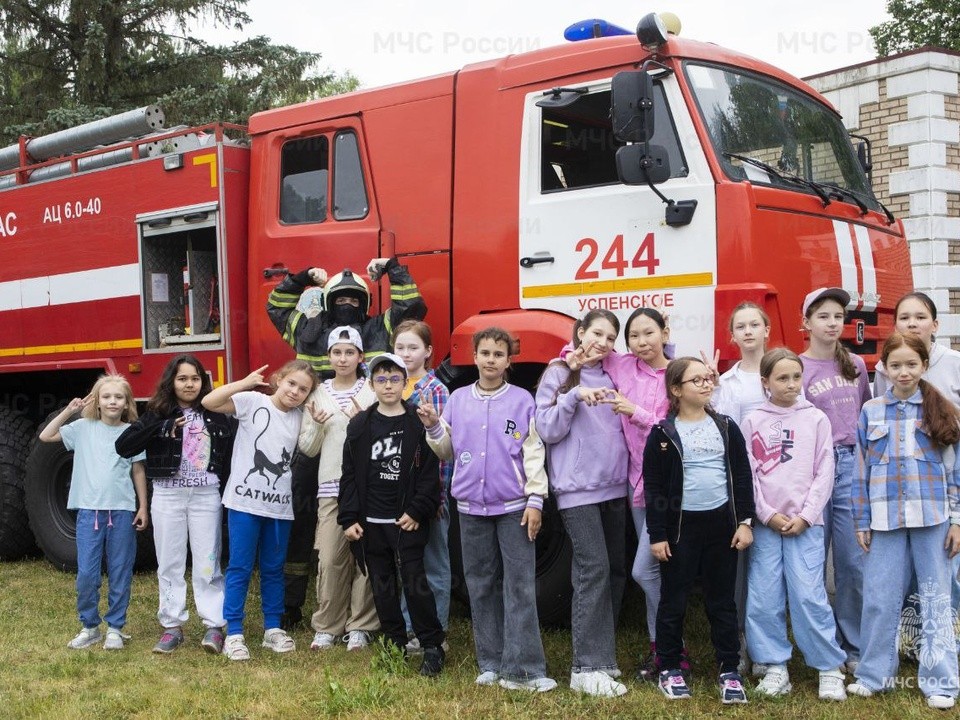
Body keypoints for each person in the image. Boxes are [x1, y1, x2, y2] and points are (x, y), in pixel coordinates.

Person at [267, 256, 426, 628]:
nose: (348, 303)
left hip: (358, 446)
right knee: (304, 524)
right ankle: (293, 603)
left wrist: (392, 269)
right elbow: (275, 306)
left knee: (363, 528)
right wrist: (303, 276)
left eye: (356, 298)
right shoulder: (306, 327)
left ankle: (361, 618)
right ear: (327, 299)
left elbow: (411, 306)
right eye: (341, 297)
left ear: (366, 303)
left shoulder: (379, 328)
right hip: (313, 437)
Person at [419, 327, 557, 692]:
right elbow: (447, 450)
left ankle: (524, 669)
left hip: (514, 507)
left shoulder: (523, 401)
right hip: (469, 507)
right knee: (480, 585)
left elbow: (533, 452)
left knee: (520, 585)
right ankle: (491, 662)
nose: (491, 360)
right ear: (474, 357)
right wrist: (434, 428)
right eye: (485, 353)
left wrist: (535, 500)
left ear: (509, 361)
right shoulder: (458, 399)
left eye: (498, 354)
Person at [847, 333, 960, 710]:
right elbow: (861, 470)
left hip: (934, 519)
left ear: (924, 366)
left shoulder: (941, 409)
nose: (904, 371)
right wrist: (861, 519)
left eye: (912, 364)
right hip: (883, 519)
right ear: (884, 368)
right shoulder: (871, 411)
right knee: (879, 597)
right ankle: (875, 674)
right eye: (896, 365)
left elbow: (955, 471)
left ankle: (941, 680)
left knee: (935, 597)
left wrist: (957, 520)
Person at [565, 307, 671, 681]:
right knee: (653, 572)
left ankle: (671, 648)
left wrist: (636, 411)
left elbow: (677, 426)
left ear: (664, 332)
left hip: (666, 488)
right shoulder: (623, 366)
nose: (642, 343)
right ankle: (663, 651)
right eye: (634, 337)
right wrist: (567, 357)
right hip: (634, 484)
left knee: (645, 570)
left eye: (649, 333)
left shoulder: (674, 373)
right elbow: (586, 348)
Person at [643, 356, 755, 703]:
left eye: (708, 378)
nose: (707, 384)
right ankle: (670, 668)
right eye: (697, 380)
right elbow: (655, 489)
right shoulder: (663, 434)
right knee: (673, 601)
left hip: (720, 526)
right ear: (676, 390)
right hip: (680, 530)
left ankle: (729, 669)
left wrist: (744, 522)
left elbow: (741, 475)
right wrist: (658, 535)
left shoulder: (725, 426)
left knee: (722, 602)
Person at [741, 348, 847, 701]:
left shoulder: (815, 419)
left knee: (808, 594)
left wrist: (806, 515)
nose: (790, 384)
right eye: (781, 378)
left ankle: (828, 666)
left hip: (806, 524)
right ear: (765, 382)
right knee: (764, 595)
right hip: (767, 524)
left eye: (796, 377)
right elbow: (749, 474)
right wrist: (767, 514)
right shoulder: (753, 420)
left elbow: (824, 470)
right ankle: (774, 664)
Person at [536, 309, 629, 697]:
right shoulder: (558, 373)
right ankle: (585, 668)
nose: (603, 344)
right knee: (592, 570)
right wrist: (573, 396)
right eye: (597, 334)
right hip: (577, 490)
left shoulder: (613, 372)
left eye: (610, 338)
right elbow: (546, 429)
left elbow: (653, 369)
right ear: (579, 332)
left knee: (614, 572)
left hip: (615, 487)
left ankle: (603, 663)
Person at [115, 355, 235, 655]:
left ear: (203, 382)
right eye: (182, 379)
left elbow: (232, 456)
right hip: (168, 495)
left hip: (206, 495)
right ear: (172, 382)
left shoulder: (215, 413)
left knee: (208, 561)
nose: (189, 384)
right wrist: (162, 427)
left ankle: (213, 625)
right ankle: (172, 625)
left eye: (195, 378)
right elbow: (124, 445)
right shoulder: (156, 413)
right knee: (170, 561)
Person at [201, 360, 320, 661]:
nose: (295, 392)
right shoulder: (253, 401)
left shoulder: (300, 417)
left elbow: (309, 447)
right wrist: (244, 382)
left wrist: (317, 422)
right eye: (291, 383)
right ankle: (235, 632)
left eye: (303, 389)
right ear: (279, 379)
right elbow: (209, 401)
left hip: (279, 508)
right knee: (240, 566)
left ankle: (272, 628)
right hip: (244, 503)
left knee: (273, 568)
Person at [337, 353, 445, 677]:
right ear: (371, 384)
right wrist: (349, 517)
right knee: (382, 587)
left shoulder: (417, 421)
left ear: (404, 382)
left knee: (415, 584)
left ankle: (431, 645)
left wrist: (417, 510)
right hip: (372, 524)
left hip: (405, 522)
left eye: (394, 379)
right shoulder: (360, 425)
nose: (387, 385)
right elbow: (350, 475)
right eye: (381, 380)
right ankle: (394, 644)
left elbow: (430, 473)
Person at [39, 374, 149, 651]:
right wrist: (69, 411)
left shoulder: (132, 432)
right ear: (97, 402)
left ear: (127, 403)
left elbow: (138, 470)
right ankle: (90, 626)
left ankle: (114, 627)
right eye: (107, 397)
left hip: (122, 510)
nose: (113, 401)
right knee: (87, 573)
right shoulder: (83, 428)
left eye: (119, 397)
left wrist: (143, 507)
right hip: (89, 513)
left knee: (120, 570)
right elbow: (46, 435)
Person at [800, 287, 871, 672]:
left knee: (852, 562)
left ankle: (855, 645)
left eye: (838, 317)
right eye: (823, 316)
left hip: (849, 467)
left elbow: (864, 417)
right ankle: (823, 646)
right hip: (811, 470)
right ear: (806, 322)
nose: (831, 323)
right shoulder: (797, 367)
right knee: (811, 562)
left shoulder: (855, 366)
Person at [298, 327, 378, 651]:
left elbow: (387, 437)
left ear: (360, 357)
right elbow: (308, 448)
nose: (343, 358)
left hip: (370, 487)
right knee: (330, 557)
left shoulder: (372, 390)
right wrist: (317, 425)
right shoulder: (317, 394)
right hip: (331, 486)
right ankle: (328, 625)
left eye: (349, 352)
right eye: (337, 352)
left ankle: (361, 625)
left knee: (367, 558)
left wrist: (367, 424)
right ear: (329, 356)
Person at [709, 301, 770, 676]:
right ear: (732, 336)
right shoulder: (727, 383)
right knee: (739, 572)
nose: (748, 332)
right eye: (741, 327)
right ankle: (740, 645)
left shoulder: (782, 371)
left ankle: (767, 648)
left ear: (766, 329)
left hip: (779, 482)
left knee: (767, 570)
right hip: (741, 482)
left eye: (754, 325)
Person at [391, 320, 453, 651]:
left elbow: (442, 451)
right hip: (397, 495)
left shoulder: (436, 391)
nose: (405, 354)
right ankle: (409, 628)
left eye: (413, 347)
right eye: (400, 347)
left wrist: (437, 496)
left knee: (435, 564)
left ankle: (436, 631)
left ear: (428, 352)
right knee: (408, 563)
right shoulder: (389, 387)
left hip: (429, 496)